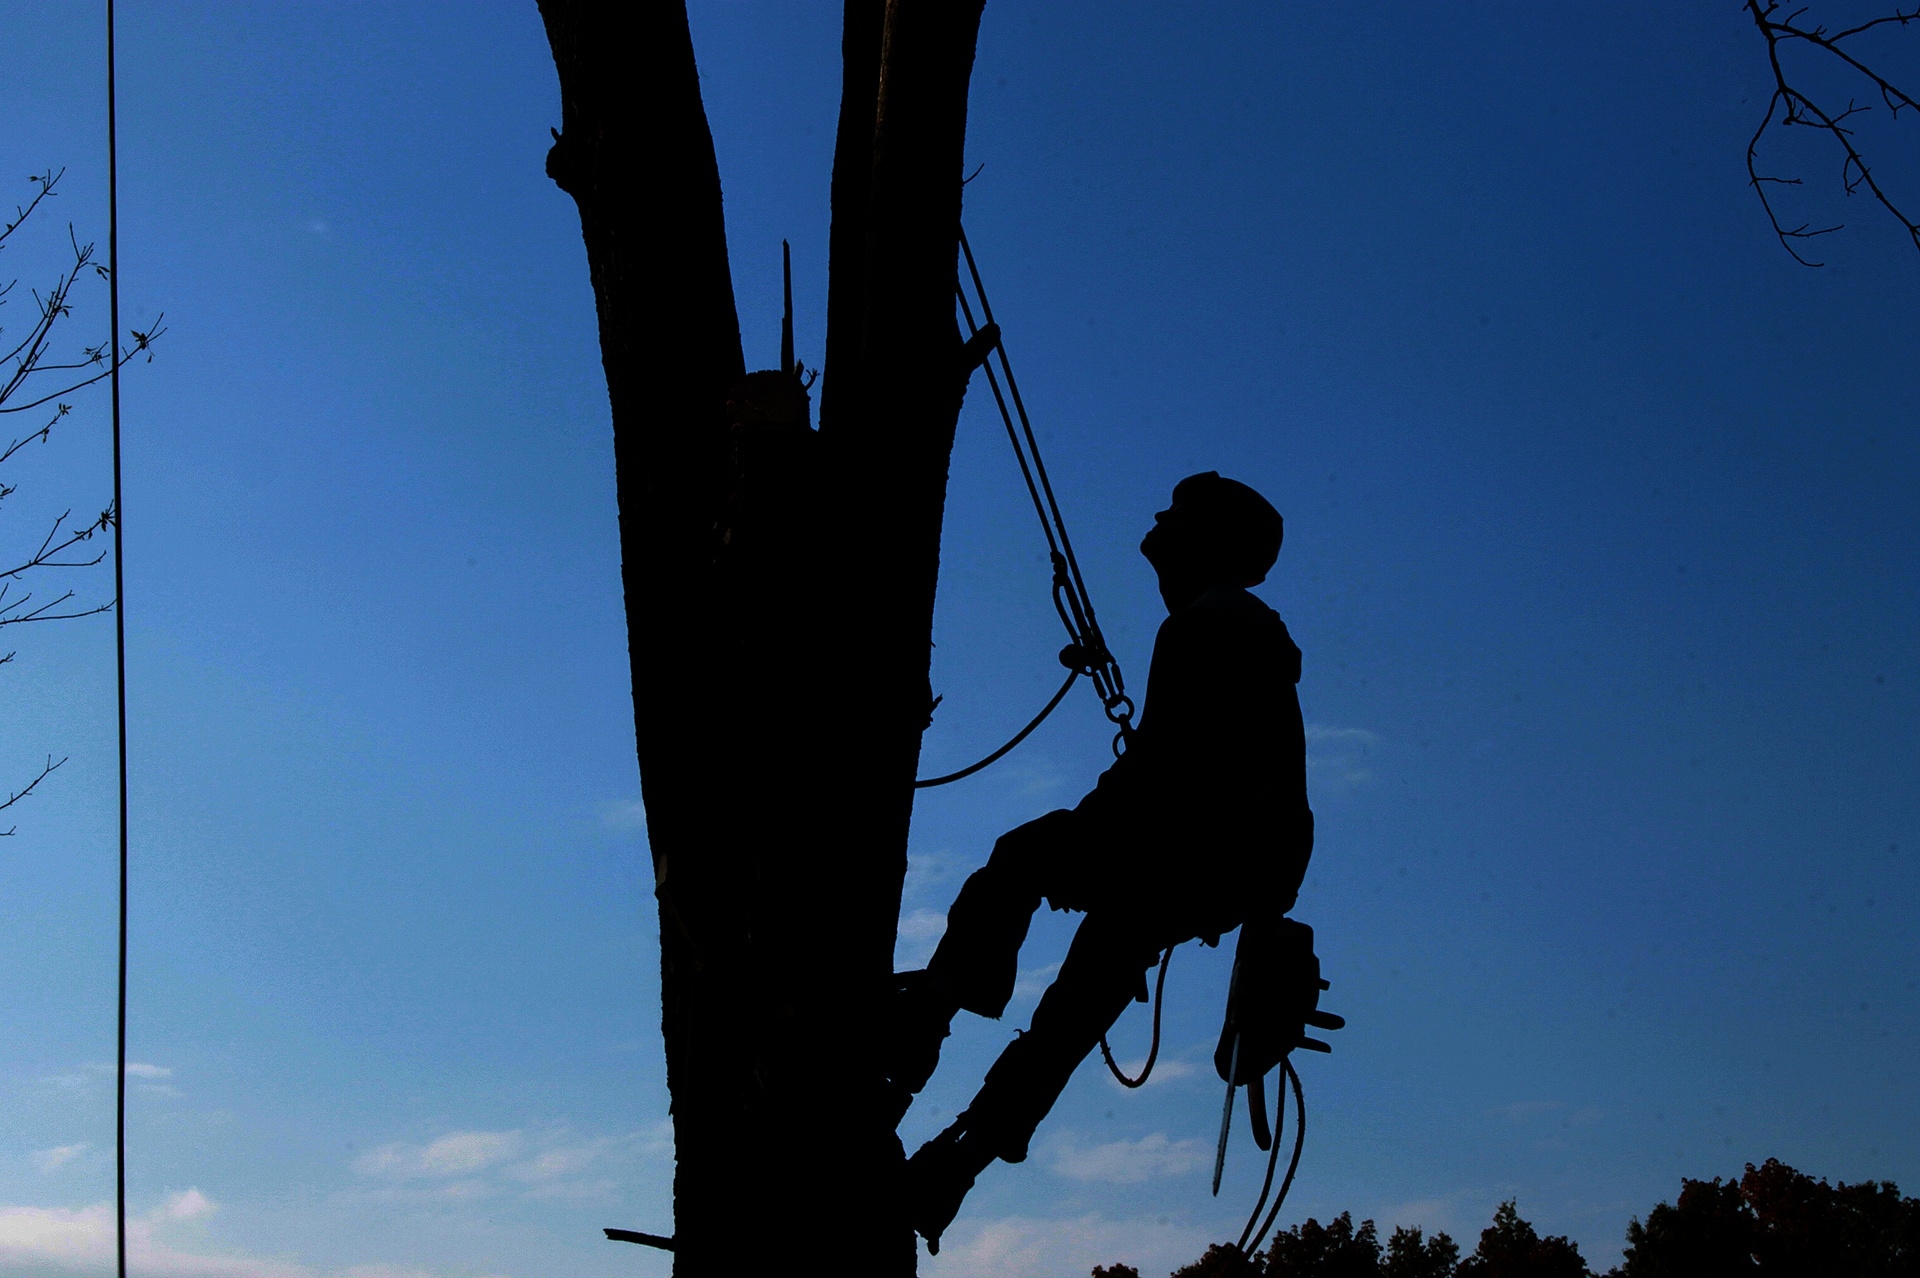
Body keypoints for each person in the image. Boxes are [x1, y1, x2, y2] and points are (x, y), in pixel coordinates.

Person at [888, 471, 1322, 1252]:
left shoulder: (1204, 626)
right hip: (1233, 867)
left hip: (1189, 844)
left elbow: (1164, 769)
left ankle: (925, 1025)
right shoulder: (1245, 628)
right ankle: (962, 1161)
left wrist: (1086, 841)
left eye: (1177, 516)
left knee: (1021, 859)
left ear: (1208, 542)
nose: (1158, 519)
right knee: (1087, 990)